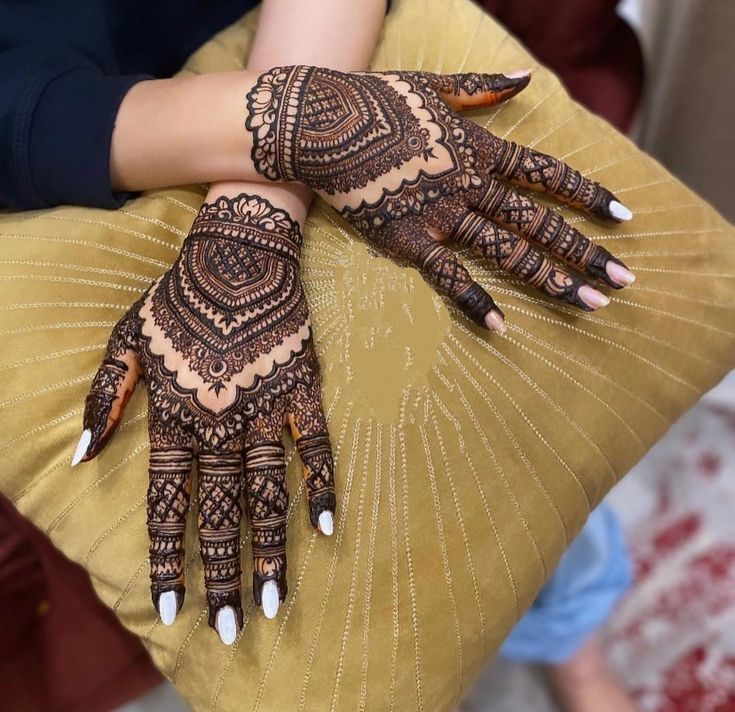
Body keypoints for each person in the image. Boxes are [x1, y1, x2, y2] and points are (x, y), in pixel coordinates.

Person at [1, 1, 639, 710]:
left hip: (319, 32)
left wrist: (264, 188)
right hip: (68, 166)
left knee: (513, 401)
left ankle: (568, 633)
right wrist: (290, 126)